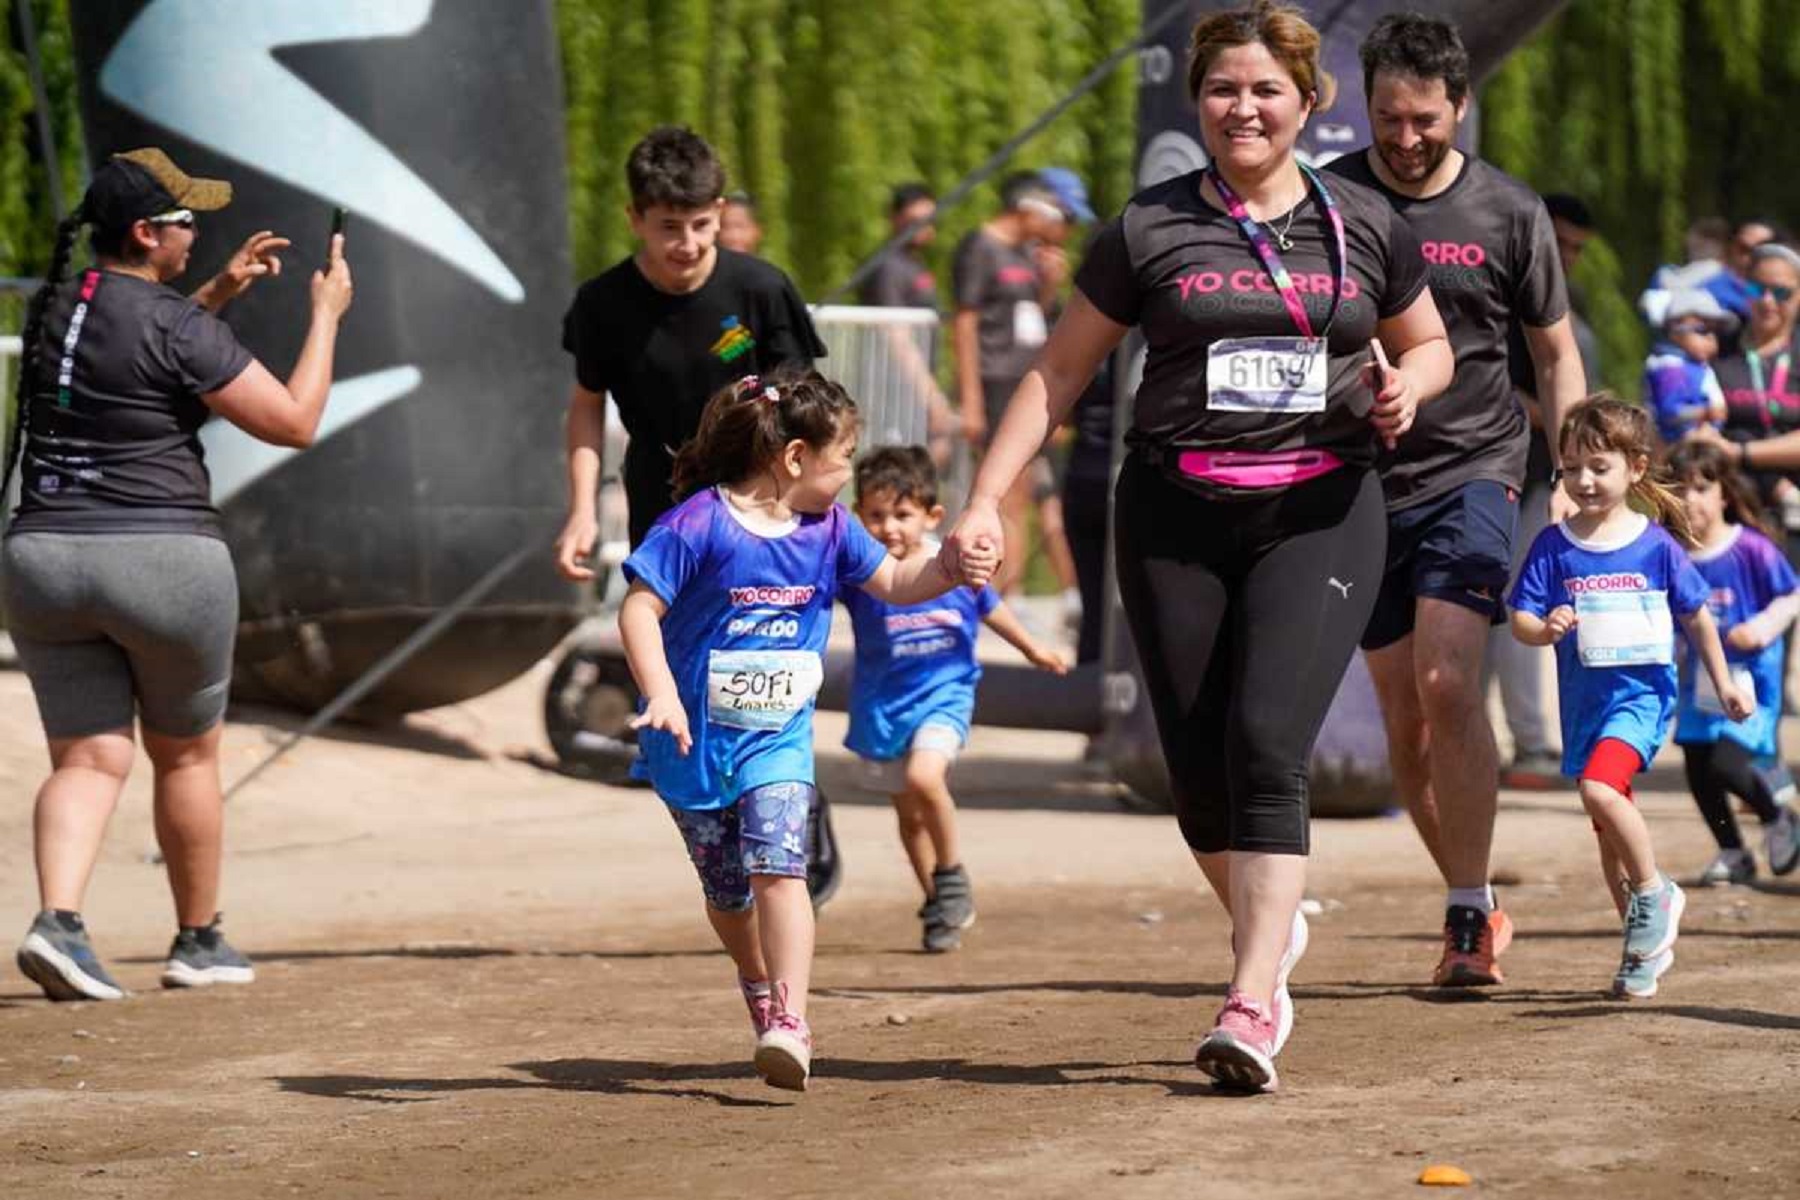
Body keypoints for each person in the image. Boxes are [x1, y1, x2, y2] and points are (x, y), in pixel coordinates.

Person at [943, 1, 1452, 1092]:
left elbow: (1431, 344)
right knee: (1197, 781)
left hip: (1319, 511)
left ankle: (1253, 997)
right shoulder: (1148, 226)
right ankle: (1272, 932)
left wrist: (1411, 383)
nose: (1244, 108)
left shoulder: (1364, 223)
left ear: (1309, 101)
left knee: (1269, 743)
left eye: (1267, 89)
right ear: (1199, 103)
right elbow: (1058, 374)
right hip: (1175, 511)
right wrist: (987, 497)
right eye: (1223, 89)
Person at [1, 148, 354, 1001]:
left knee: (87, 757)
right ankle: (198, 940)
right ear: (146, 232)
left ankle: (60, 922)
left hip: (40, 559)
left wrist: (221, 293)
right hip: (164, 560)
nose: (200, 232)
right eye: (188, 221)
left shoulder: (57, 304)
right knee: (188, 758)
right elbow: (295, 421)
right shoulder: (175, 325)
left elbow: (137, 356)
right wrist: (327, 314)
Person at [617, 370, 992, 1091]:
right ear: (794, 458)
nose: (850, 476)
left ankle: (790, 1019)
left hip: (777, 740)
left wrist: (949, 566)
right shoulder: (698, 524)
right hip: (690, 744)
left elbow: (897, 584)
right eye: (843, 457)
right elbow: (638, 609)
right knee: (728, 895)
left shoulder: (833, 531)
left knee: (781, 867)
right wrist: (660, 691)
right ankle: (755, 978)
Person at [1324, 12, 1586, 988]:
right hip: (1358, 487)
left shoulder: (1508, 214)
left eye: (1424, 119)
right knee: (1405, 722)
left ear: (1460, 106)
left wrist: (1571, 488)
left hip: (1476, 468)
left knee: (1448, 681)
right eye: (1388, 117)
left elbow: (1556, 356)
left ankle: (1465, 916)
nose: (1403, 137)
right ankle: (1477, 896)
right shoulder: (1330, 200)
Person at [554, 126, 844, 906]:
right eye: (667, 226)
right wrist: (582, 511)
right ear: (634, 218)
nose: (686, 243)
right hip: (668, 510)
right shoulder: (604, 305)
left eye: (701, 225)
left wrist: (808, 504)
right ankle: (732, 829)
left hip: (761, 510)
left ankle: (790, 806)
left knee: (762, 662)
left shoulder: (759, 290)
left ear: (720, 213)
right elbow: (585, 411)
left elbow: (807, 418)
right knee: (691, 678)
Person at [1508, 397, 1750, 998]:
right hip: (1583, 709)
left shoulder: (1656, 546)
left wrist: (1722, 685)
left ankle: (1656, 893)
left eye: (1599, 466)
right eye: (1571, 468)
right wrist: (1548, 628)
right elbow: (1521, 620)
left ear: (1635, 469)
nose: (1584, 480)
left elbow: (1697, 618)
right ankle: (1643, 948)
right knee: (1609, 835)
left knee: (1598, 790)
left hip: (1641, 702)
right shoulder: (1551, 546)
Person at [844, 446, 1066, 952]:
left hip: (945, 696)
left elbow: (992, 608)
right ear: (858, 517)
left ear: (931, 516)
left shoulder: (951, 564)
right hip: (883, 707)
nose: (889, 528)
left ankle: (952, 874)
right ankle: (938, 903)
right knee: (907, 815)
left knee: (925, 778)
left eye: (902, 515)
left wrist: (1034, 648)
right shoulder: (860, 576)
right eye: (876, 516)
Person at [1493, 193, 1605, 791]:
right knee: (1510, 610)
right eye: (1560, 243)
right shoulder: (1508, 303)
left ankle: (1531, 740)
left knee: (1524, 607)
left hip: (1549, 478)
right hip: (1504, 472)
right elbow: (1481, 378)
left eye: (1578, 250)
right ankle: (1527, 741)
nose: (1568, 258)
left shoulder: (1572, 305)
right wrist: (1543, 411)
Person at [1666, 441, 1800, 885]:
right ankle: (1733, 851)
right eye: (1681, 489)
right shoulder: (1672, 554)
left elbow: (1790, 594)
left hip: (1750, 682)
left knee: (1727, 763)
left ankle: (1779, 815)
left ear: (1724, 492)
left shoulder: (1752, 548)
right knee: (1699, 768)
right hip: (1697, 686)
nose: (1690, 500)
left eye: (1702, 488)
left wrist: (1760, 628)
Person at [951, 170, 1075, 597]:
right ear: (1027, 207)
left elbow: (1032, 318)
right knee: (1004, 492)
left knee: (1022, 494)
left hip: (1026, 379)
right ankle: (1002, 593)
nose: (1058, 223)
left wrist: (1050, 285)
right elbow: (965, 323)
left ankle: (1011, 588)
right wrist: (969, 399)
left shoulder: (1027, 254)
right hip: (993, 379)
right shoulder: (980, 246)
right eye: (1052, 212)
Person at [858, 182, 958, 468]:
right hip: (891, 393)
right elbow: (896, 335)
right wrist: (933, 398)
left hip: (912, 391)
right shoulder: (889, 267)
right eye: (916, 220)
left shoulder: (913, 264)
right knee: (898, 474)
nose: (925, 226)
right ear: (896, 218)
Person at [1643, 290, 1733, 446]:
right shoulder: (1670, 367)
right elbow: (1669, 411)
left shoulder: (1697, 366)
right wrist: (1705, 413)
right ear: (1674, 331)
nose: (1711, 338)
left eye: (1716, 332)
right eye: (1702, 331)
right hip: (1675, 448)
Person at [718, 190, 764, 257]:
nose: (733, 236)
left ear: (757, 230)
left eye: (741, 226)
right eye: (725, 227)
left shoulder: (765, 267)